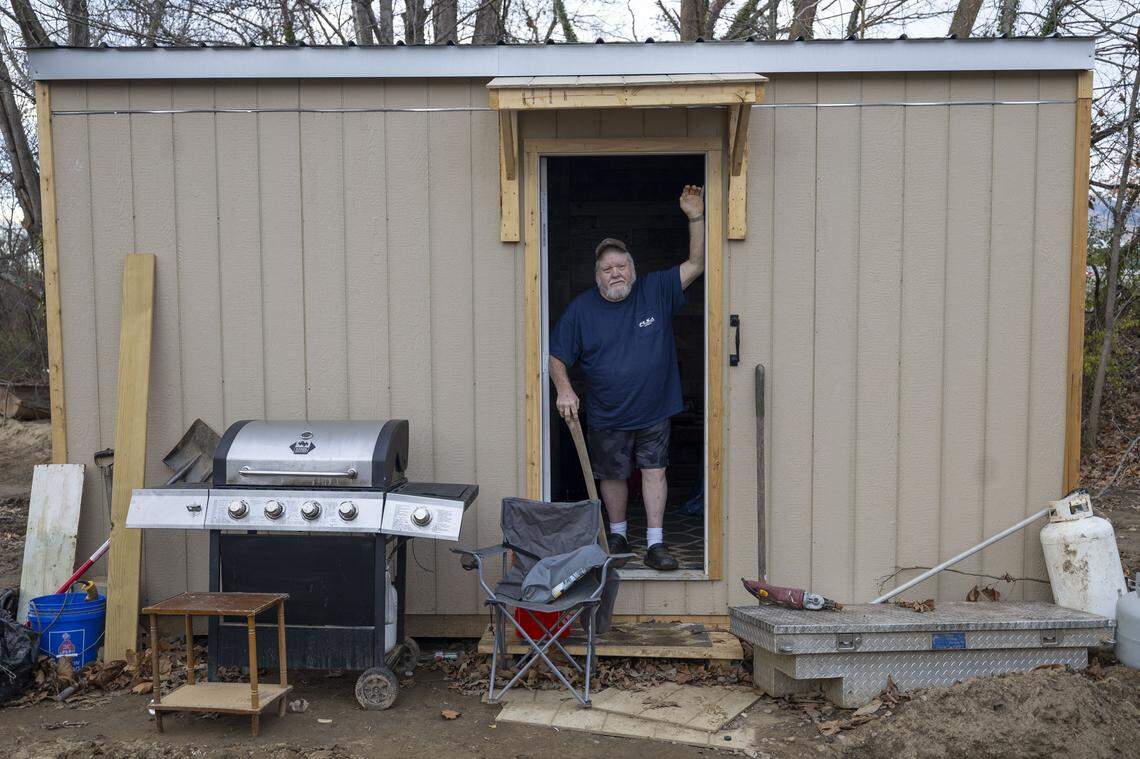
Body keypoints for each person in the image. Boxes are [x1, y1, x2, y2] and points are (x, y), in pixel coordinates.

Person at [548, 185, 705, 571]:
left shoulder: (655, 290)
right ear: (597, 276)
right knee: (613, 474)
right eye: (607, 268)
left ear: (633, 270)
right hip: (607, 411)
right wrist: (564, 388)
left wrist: (695, 217)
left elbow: (697, 264)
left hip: (654, 408)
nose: (616, 272)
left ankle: (656, 543)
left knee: (655, 471)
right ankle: (616, 534)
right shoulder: (581, 310)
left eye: (621, 266)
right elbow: (556, 356)